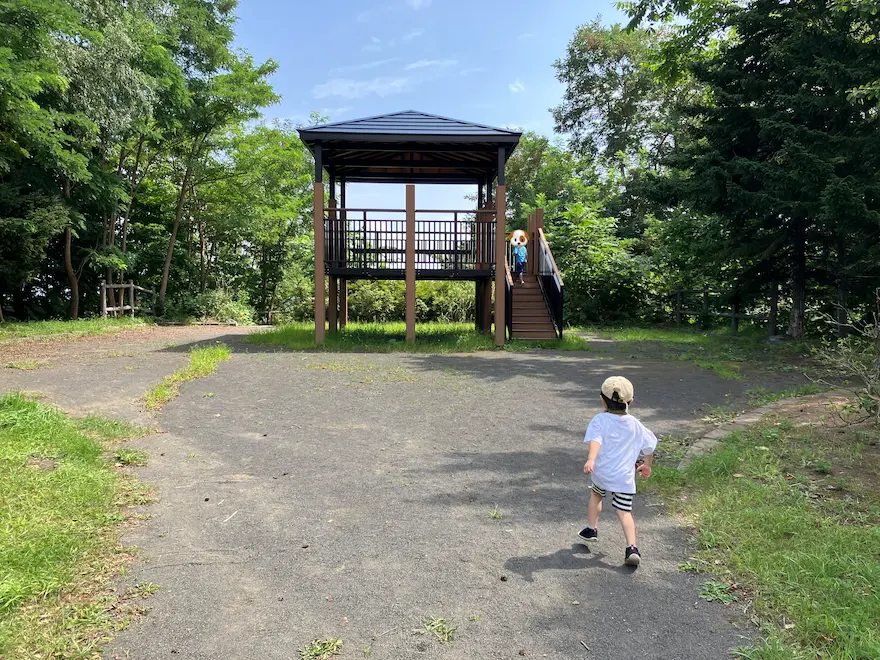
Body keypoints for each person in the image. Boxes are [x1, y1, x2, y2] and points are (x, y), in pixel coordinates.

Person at [578, 376, 657, 566]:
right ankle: (632, 547)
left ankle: (591, 528)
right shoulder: (636, 425)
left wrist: (591, 459)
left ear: (602, 400)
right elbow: (649, 447)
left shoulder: (599, 420)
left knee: (596, 496)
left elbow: (596, 440)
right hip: (624, 478)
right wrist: (647, 464)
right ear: (630, 402)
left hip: (603, 473)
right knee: (624, 511)